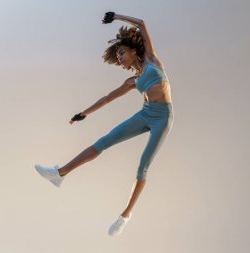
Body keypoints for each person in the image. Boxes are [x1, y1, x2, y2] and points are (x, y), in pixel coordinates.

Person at [35, 11, 174, 237]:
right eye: (117, 55)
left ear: (133, 50)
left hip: (163, 117)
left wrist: (117, 17)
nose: (119, 57)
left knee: (143, 166)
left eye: (121, 52)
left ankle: (125, 215)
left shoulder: (151, 59)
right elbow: (108, 98)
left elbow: (141, 23)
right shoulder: (133, 81)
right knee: (104, 141)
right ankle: (59, 174)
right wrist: (83, 113)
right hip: (146, 113)